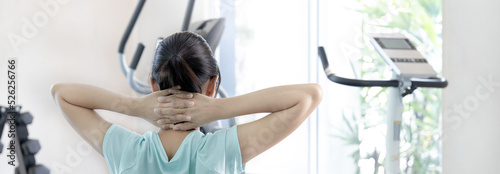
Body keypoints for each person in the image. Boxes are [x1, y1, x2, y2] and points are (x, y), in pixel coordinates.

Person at [51, 31, 322, 174]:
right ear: (213, 85)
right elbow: (309, 96)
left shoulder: (128, 151)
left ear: (154, 85)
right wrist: (220, 108)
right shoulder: (225, 151)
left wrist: (136, 106)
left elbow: (62, 93)